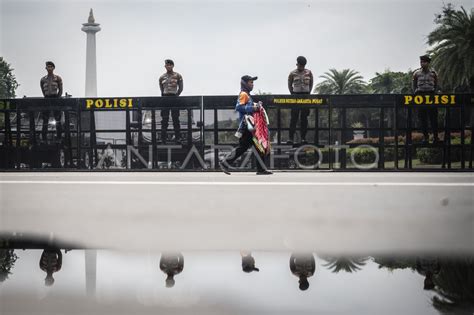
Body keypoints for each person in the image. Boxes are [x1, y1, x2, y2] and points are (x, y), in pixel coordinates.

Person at [219, 75, 272, 175]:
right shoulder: (243, 94)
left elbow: (246, 107)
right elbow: (238, 107)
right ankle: (225, 163)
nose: (252, 84)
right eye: (250, 82)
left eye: (252, 82)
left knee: (257, 146)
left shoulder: (247, 95)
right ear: (244, 83)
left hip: (250, 126)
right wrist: (253, 108)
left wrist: (255, 106)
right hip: (246, 126)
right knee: (245, 147)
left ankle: (260, 169)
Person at [412, 55, 439, 144]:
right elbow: (414, 84)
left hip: (431, 95)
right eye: (421, 62)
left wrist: (435, 93)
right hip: (420, 96)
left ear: (428, 63)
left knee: (433, 118)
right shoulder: (416, 73)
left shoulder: (433, 73)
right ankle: (426, 138)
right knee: (422, 118)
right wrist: (415, 91)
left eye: (424, 62)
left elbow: (436, 84)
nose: (422, 63)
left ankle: (435, 137)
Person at [287, 56, 314, 144]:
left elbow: (311, 84)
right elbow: (289, 85)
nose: (300, 66)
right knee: (294, 118)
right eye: (299, 65)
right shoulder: (292, 73)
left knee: (304, 118)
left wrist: (308, 93)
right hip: (295, 96)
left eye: (301, 65)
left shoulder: (309, 73)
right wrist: (293, 94)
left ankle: (303, 138)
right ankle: (291, 138)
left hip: (305, 96)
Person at [159, 59, 184, 144]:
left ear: (173, 65)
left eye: (170, 64)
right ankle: (163, 139)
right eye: (167, 65)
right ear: (165, 66)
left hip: (174, 97)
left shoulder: (178, 75)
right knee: (164, 120)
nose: (168, 66)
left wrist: (177, 95)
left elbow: (181, 88)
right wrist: (163, 97)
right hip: (165, 98)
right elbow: (161, 90)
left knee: (175, 119)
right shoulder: (162, 77)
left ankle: (178, 138)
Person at [40, 61, 63, 142]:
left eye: (50, 66)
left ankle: (59, 137)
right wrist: (46, 96)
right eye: (48, 66)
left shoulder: (58, 78)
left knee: (58, 119)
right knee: (45, 119)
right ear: (46, 68)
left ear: (53, 68)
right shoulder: (43, 79)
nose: (49, 68)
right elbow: (43, 90)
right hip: (46, 98)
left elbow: (60, 90)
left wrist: (57, 99)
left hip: (55, 98)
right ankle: (44, 138)